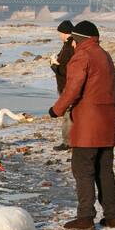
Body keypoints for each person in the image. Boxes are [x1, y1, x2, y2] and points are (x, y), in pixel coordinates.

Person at [48, 20, 115, 230]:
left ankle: (86, 217)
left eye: (74, 39)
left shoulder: (82, 56)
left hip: (89, 123)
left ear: (78, 38)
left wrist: (57, 109)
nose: (71, 43)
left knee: (82, 169)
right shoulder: (104, 55)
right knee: (105, 170)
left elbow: (73, 89)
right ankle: (113, 216)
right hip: (109, 120)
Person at [49, 20, 76, 151]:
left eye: (60, 33)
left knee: (67, 114)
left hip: (67, 86)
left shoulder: (69, 47)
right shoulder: (71, 44)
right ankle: (73, 140)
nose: (59, 35)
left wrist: (53, 64)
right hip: (68, 85)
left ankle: (68, 142)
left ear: (65, 33)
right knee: (72, 113)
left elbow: (65, 69)